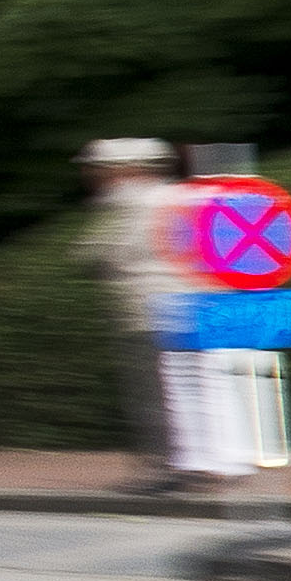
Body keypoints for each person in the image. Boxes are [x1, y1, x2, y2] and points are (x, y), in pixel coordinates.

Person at [71, 137, 194, 492]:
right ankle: (196, 465)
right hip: (189, 309)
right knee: (187, 393)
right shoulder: (181, 197)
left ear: (125, 169)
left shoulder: (124, 201)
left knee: (151, 394)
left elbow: (94, 252)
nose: (91, 176)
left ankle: (163, 471)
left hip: (145, 311)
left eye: (98, 169)